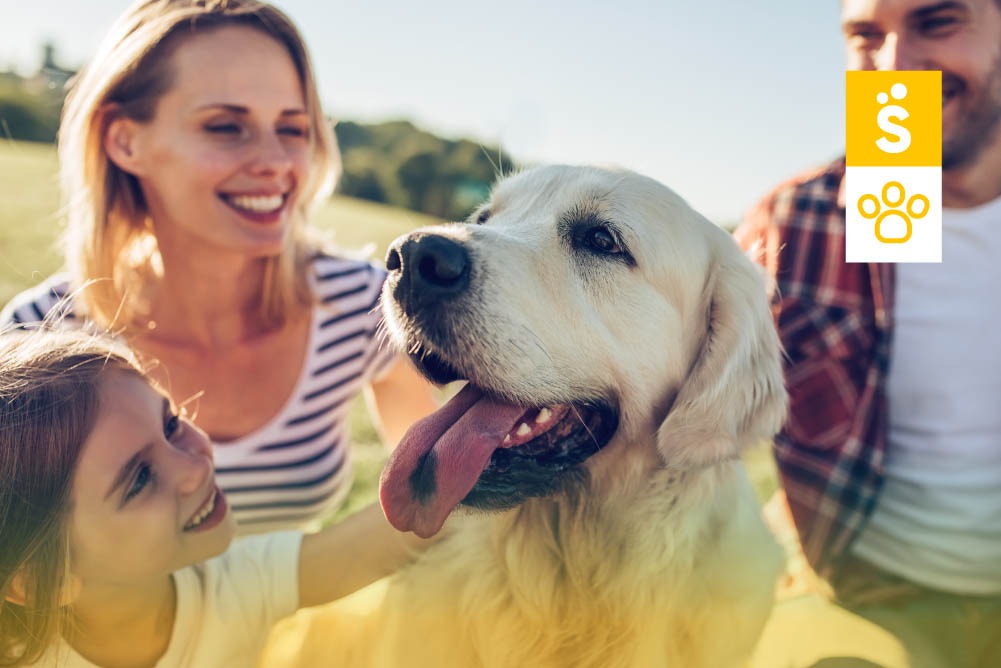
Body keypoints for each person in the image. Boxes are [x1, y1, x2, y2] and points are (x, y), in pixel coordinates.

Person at [0, 0, 438, 534]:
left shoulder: (364, 306)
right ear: (125, 141)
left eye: (293, 129)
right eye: (226, 127)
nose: (276, 162)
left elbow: (430, 510)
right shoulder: (39, 339)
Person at [737, 1, 1001, 666]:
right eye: (865, 36)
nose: (895, 66)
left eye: (936, 23)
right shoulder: (799, 223)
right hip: (861, 589)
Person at [0, 328, 436, 668]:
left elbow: (382, 539)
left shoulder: (232, 588)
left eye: (170, 424)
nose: (197, 467)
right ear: (43, 580)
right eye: (138, 480)